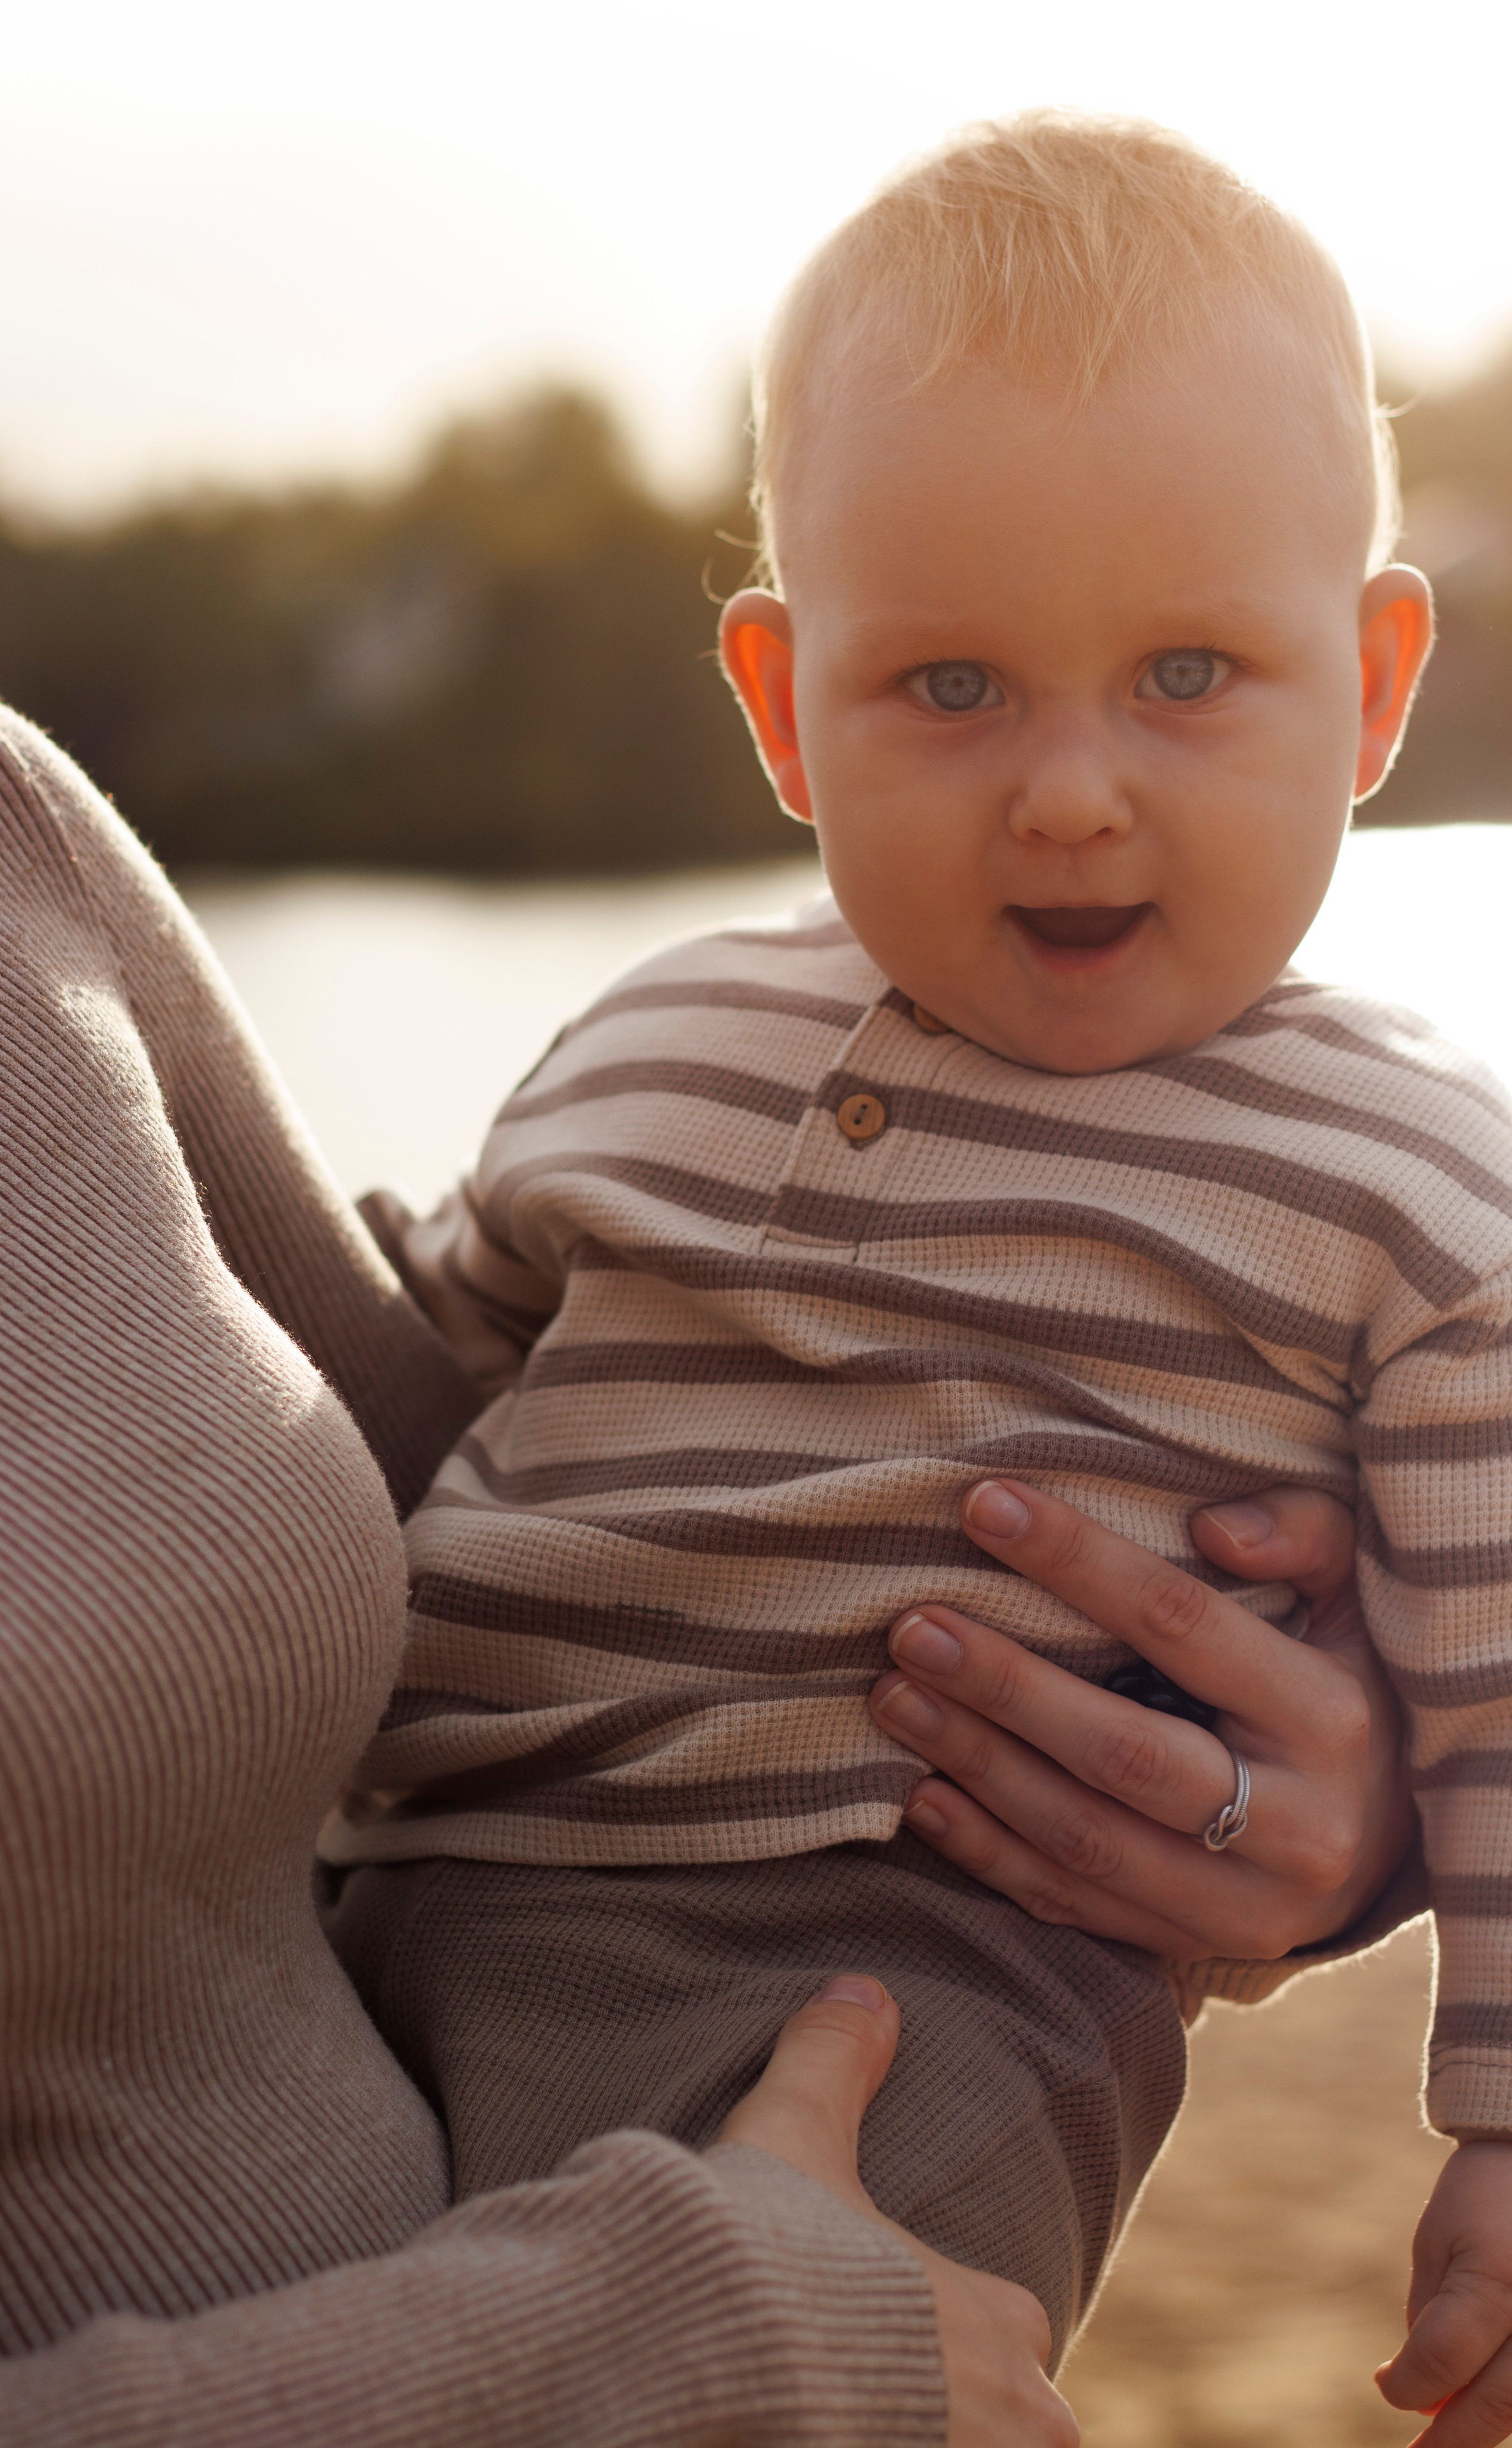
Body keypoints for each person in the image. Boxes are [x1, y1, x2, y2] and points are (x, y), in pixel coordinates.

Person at [325, 110, 1512, 2448]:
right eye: (951, 689)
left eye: (1189, 674)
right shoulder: (654, 1039)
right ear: (781, 703)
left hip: (912, 1974)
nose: (1067, 790)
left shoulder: (1427, 1201)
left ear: (1375, 682)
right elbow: (401, 1366)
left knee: (800, 2384)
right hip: (390, 1911)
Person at [0, 696, 1406, 2444]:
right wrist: (680, 2351)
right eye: (950, 683)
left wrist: (1300, 1762)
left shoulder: (19, 847)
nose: (1069, 792)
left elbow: (448, 1433)